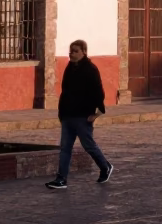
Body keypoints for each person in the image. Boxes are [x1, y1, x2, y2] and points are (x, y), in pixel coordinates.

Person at [46, 39, 113, 190]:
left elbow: (98, 92)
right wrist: (61, 113)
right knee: (65, 148)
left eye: (76, 51)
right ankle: (61, 179)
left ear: (84, 52)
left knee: (89, 145)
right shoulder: (69, 68)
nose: (72, 54)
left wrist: (97, 113)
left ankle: (105, 167)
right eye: (71, 51)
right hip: (68, 116)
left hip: (83, 116)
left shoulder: (90, 69)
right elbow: (65, 91)